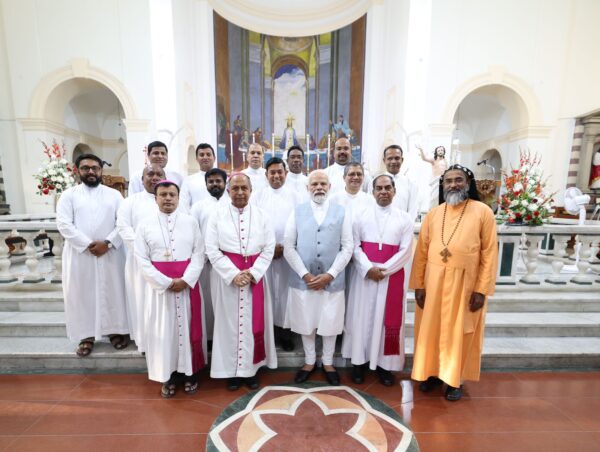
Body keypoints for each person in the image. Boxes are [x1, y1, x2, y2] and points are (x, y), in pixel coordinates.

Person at [410, 164, 497, 401]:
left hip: (465, 284)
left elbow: (489, 253)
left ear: (468, 184)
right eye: (448, 181)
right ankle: (430, 373)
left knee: (459, 333)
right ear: (443, 185)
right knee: (431, 330)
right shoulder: (434, 213)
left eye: (458, 180)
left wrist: (481, 289)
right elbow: (422, 252)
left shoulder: (482, 212)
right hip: (434, 282)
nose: (453, 185)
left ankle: (454, 379)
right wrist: (419, 284)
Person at [134, 180, 206, 398]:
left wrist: (186, 279)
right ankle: (168, 375)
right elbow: (141, 259)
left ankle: (190, 373)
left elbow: (198, 253)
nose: (167, 198)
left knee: (189, 328)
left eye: (172, 194)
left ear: (178, 197)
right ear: (155, 198)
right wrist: (166, 282)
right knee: (163, 333)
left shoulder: (190, 222)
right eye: (163, 194)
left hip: (187, 286)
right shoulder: (144, 225)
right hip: (161, 291)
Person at [205, 173, 277, 390]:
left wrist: (253, 273)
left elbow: (269, 247)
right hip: (227, 280)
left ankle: (250, 370)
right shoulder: (216, 215)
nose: (239, 193)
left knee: (253, 324)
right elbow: (211, 248)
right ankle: (232, 371)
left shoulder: (263, 216)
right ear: (228, 192)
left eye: (243, 188)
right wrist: (233, 274)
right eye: (234, 189)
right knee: (229, 326)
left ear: (251, 190)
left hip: (255, 277)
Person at [342, 175, 413, 386]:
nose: (383, 191)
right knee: (361, 319)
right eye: (379, 188)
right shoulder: (360, 215)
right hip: (364, 278)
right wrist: (368, 268)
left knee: (385, 321)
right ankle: (358, 363)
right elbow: (354, 246)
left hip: (389, 278)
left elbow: (406, 249)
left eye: (387, 188)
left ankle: (384, 366)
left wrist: (384, 270)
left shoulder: (404, 218)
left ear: (394, 190)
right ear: (372, 192)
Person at [283, 170, 353, 385]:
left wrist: (330, 274)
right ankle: (310, 361)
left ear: (330, 186)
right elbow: (288, 246)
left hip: (331, 281)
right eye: (314, 184)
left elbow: (348, 246)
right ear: (308, 188)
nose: (319, 187)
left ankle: (329, 362)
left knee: (330, 322)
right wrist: (304, 274)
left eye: (323, 183)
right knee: (307, 321)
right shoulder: (297, 211)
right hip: (304, 280)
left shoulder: (342, 212)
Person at [56, 153, 129, 356]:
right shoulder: (68, 195)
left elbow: (122, 222)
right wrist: (88, 244)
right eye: (86, 168)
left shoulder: (114, 195)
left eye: (95, 168)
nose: (91, 171)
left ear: (101, 170)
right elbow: (63, 224)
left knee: (113, 291)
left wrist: (108, 243)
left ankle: (114, 331)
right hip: (81, 255)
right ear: (78, 170)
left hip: (110, 253)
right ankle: (85, 336)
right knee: (82, 295)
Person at [252, 157, 302, 351]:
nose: (276, 175)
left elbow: (300, 224)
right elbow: (253, 224)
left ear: (286, 173)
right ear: (266, 175)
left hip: (289, 254)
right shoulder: (257, 196)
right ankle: (267, 332)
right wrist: (268, 248)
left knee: (285, 293)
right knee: (267, 293)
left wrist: (286, 246)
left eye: (280, 172)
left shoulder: (296, 196)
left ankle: (286, 333)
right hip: (264, 254)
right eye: (272, 172)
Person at [116, 164, 165, 352]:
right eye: (150, 174)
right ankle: (145, 342)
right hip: (139, 262)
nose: (154, 177)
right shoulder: (130, 202)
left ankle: (164, 341)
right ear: (141, 179)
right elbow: (123, 227)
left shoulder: (173, 198)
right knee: (141, 301)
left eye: (158, 174)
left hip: (167, 263)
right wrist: (145, 250)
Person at [190, 168, 228, 339]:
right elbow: (194, 233)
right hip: (204, 262)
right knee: (207, 300)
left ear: (225, 183)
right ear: (206, 184)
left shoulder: (232, 204)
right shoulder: (198, 207)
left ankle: (224, 337)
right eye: (211, 181)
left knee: (225, 301)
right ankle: (210, 337)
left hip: (227, 262)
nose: (214, 184)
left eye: (218, 181)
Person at [383, 144, 420, 221]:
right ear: (384, 160)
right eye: (390, 158)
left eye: (397, 158)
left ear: (402, 160)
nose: (393, 161)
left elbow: (413, 211)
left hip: (403, 229)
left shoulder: (411, 183)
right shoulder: (375, 182)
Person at [179, 143, 216, 211]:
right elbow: (183, 205)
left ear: (214, 158)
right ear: (196, 159)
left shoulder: (224, 179)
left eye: (208, 154)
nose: (205, 157)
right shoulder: (188, 181)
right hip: (196, 220)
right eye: (201, 155)